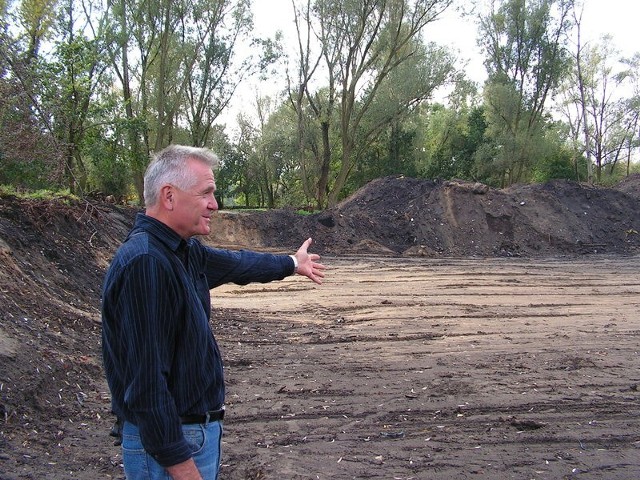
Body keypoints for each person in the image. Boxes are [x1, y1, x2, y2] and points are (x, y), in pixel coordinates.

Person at [101, 144, 325, 479]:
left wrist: (292, 264)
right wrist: (183, 469)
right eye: (206, 193)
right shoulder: (147, 262)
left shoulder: (181, 251)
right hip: (171, 445)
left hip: (192, 436)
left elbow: (237, 264)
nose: (214, 204)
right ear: (169, 196)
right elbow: (147, 387)